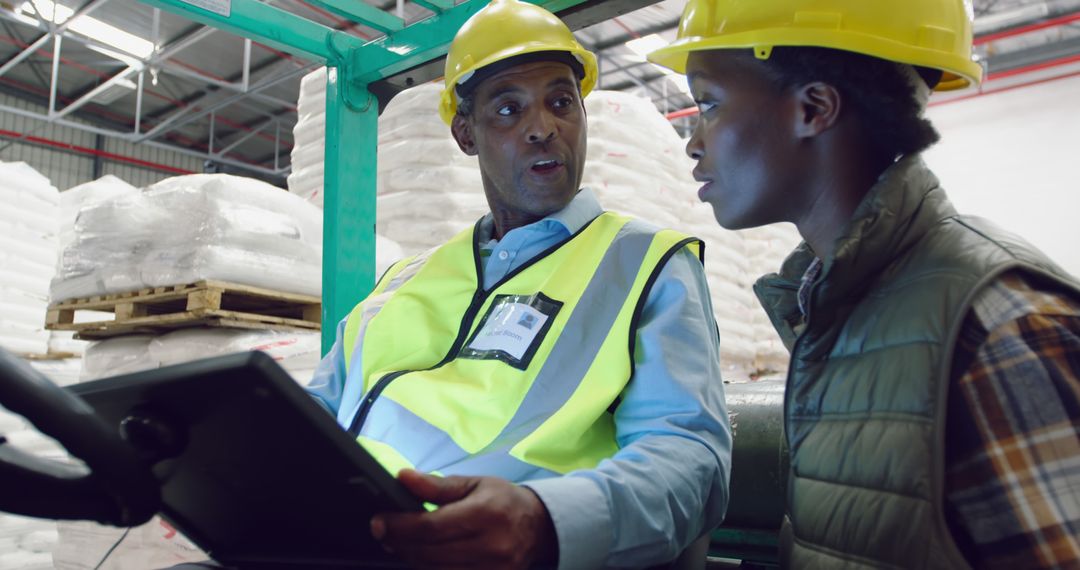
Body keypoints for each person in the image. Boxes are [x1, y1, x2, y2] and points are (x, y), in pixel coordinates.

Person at [648, 0, 1080, 567]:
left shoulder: (1001, 323)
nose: (693, 141)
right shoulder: (836, 309)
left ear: (814, 108)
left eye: (708, 102)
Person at [306, 0, 732, 567]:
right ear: (465, 134)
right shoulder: (405, 281)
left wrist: (547, 520)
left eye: (561, 102)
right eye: (508, 109)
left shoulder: (646, 264)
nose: (542, 128)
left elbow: (688, 462)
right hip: (339, 542)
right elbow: (312, 415)